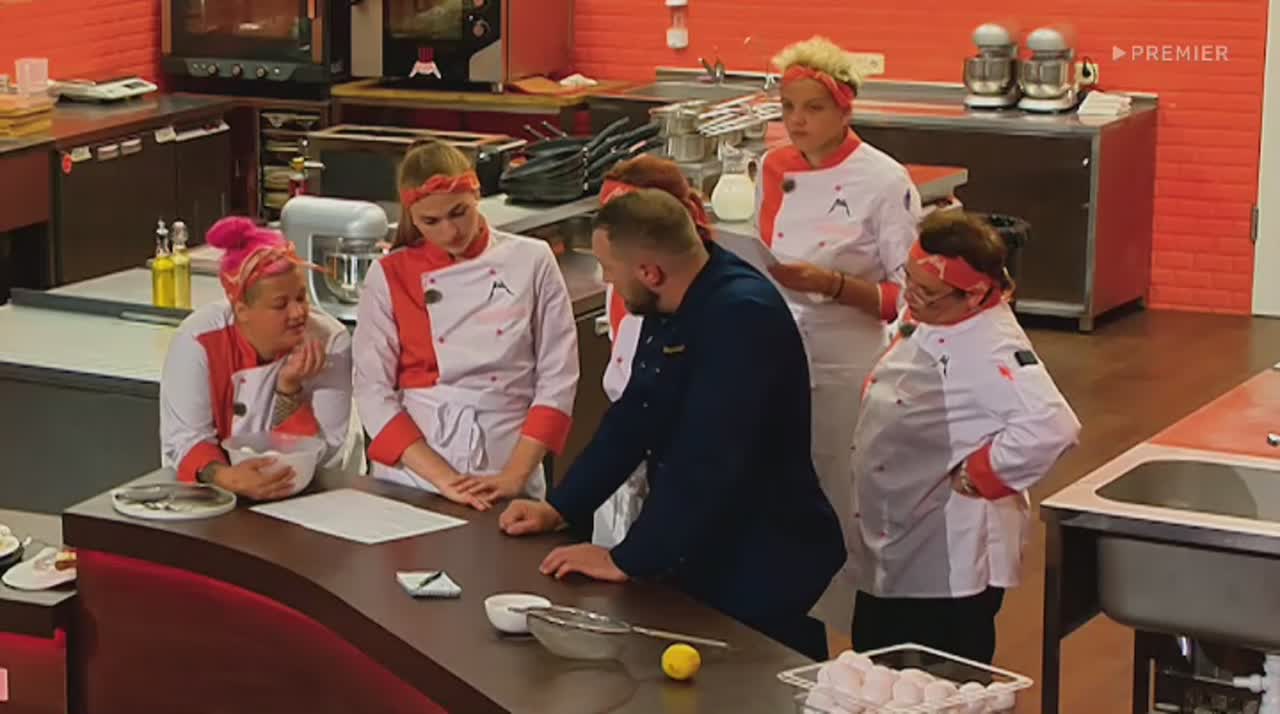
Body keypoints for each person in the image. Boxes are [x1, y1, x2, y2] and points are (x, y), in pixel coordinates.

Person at [499, 189, 846, 661]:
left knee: (752, 679)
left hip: (763, 550)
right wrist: (560, 508)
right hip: (701, 540)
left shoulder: (743, 315)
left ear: (650, 272)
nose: (606, 279)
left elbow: (706, 458)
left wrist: (626, 559)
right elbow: (635, 416)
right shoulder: (671, 300)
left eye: (608, 267)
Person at [850, 210, 1081, 664]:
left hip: (948, 558)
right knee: (875, 664)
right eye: (909, 279)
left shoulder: (993, 348)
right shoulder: (931, 313)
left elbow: (1053, 425)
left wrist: (979, 474)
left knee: (938, 679)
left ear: (974, 296)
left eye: (927, 292)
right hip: (900, 528)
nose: (911, 296)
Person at [755, 35, 925, 634]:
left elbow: (912, 298)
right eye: (787, 108)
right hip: (777, 350)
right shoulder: (773, 167)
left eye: (813, 108)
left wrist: (830, 285)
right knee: (775, 482)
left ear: (845, 108)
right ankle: (779, 621)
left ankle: (840, 627)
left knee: (835, 493)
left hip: (846, 358)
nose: (796, 121)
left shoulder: (883, 180)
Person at [353, 141, 579, 511]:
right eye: (431, 222)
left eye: (459, 213)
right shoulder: (389, 274)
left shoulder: (532, 260)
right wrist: (443, 478)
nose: (449, 232)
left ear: (477, 194)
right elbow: (371, 391)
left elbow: (558, 379)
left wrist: (515, 476)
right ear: (412, 218)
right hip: (415, 474)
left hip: (508, 460)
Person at [159, 217, 359, 499]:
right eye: (280, 304)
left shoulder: (330, 341)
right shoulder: (197, 340)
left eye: (301, 298)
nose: (298, 313)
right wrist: (227, 478)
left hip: (308, 497)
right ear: (241, 310)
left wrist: (289, 391)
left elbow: (323, 457)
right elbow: (185, 439)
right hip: (209, 496)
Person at [591, 155, 715, 548]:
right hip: (625, 470)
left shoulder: (714, 307)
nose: (606, 275)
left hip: (679, 483)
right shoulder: (625, 277)